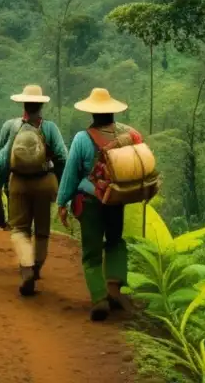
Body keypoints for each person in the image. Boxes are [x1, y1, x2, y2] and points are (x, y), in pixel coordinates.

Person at [56, 88, 143, 321]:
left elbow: (71, 173)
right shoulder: (128, 136)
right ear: (113, 112)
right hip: (116, 199)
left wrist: (62, 202)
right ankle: (114, 289)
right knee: (115, 241)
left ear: (91, 114)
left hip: (91, 201)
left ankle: (99, 298)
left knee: (91, 252)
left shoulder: (82, 139)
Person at [0, 84, 68, 296]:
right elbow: (62, 156)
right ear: (41, 106)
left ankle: (25, 267)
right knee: (42, 229)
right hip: (45, 182)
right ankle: (36, 266)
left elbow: (2, 159)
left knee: (19, 228)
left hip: (18, 183)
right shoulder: (49, 128)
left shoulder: (15, 127)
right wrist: (62, 183)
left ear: (24, 106)